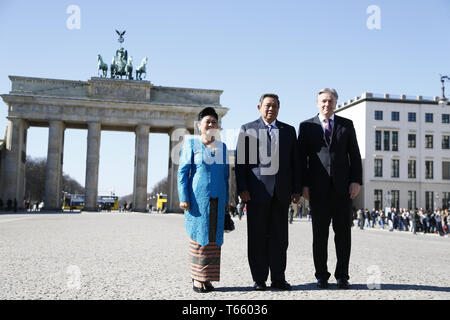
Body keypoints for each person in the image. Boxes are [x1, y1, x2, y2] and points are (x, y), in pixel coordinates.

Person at [297, 88, 362, 289]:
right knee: (320, 236)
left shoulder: (346, 125)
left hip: (343, 189)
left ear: (336, 103)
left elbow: (355, 155)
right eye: (323, 101)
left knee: (343, 235)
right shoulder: (306, 126)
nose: (327, 104)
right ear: (317, 103)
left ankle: (342, 275)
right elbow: (301, 160)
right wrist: (303, 185)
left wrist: (356, 180)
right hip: (317, 190)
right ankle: (321, 275)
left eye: (331, 101)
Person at [235, 93, 301, 291]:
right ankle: (259, 278)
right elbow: (240, 163)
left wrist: (297, 189)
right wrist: (242, 189)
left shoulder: (289, 131)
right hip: (256, 193)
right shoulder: (248, 129)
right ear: (259, 107)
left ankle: (278, 278)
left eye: (274, 106)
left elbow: (295, 164)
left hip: (281, 194)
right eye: (267, 106)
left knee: (280, 239)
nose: (271, 109)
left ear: (279, 109)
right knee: (257, 237)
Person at [178, 107, 229, 293]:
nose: (210, 125)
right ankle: (197, 278)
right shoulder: (191, 144)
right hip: (197, 200)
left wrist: (226, 199)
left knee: (214, 240)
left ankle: (208, 278)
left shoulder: (222, 147)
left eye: (214, 122)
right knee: (199, 238)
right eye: (207, 121)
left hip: (218, 198)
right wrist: (183, 197)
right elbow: (182, 172)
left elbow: (226, 176)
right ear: (199, 125)